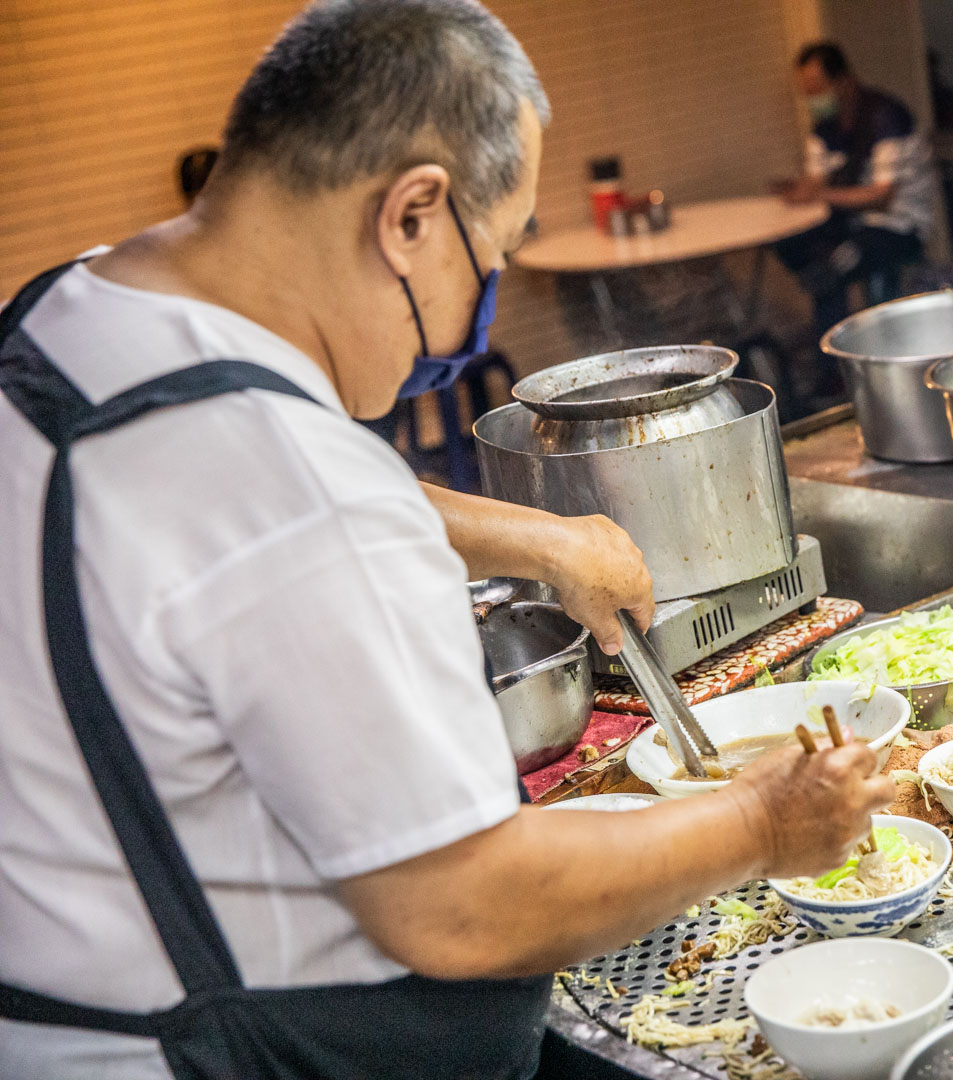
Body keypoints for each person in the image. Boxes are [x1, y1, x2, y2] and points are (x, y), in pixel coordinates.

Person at [0, 3, 893, 1077]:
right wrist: (766, 821)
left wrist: (542, 541)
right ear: (412, 216)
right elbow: (465, 909)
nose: (489, 295)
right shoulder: (297, 487)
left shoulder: (76, 306)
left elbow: (220, 501)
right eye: (498, 250)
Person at [773, 42, 936, 346]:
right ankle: (836, 363)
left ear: (843, 80)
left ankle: (872, 355)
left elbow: (882, 196)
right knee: (792, 245)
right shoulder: (825, 128)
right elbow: (817, 179)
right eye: (805, 92)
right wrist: (799, 190)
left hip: (897, 226)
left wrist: (819, 194)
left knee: (829, 271)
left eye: (817, 89)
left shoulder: (886, 117)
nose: (811, 99)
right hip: (850, 223)